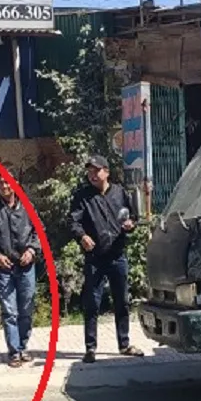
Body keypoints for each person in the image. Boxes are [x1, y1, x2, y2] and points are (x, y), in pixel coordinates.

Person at [68, 155, 145, 363]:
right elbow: (73, 222)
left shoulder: (120, 193)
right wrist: (82, 236)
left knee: (122, 301)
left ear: (106, 172)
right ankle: (90, 348)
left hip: (117, 256)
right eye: (89, 172)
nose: (92, 175)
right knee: (92, 303)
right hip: (95, 258)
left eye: (96, 171)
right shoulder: (82, 196)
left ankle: (124, 344)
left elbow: (133, 217)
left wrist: (130, 225)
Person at [0, 173, 40, 368]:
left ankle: (23, 346)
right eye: (0, 182)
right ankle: (14, 351)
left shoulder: (28, 207)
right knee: (9, 311)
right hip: (3, 268)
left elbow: (38, 232)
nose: (4, 186)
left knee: (26, 308)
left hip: (26, 266)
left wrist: (31, 250)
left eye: (7, 182)